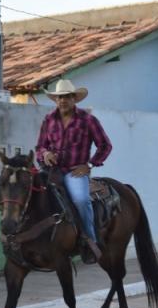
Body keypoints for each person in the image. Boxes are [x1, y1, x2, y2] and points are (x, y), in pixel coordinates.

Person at [35, 79, 112, 264]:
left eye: (67, 97)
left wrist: (90, 165)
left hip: (74, 172)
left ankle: (90, 241)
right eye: (60, 97)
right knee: (34, 196)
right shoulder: (48, 120)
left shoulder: (88, 120)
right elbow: (39, 147)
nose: (63, 100)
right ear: (56, 100)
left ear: (74, 99)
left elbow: (105, 145)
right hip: (52, 171)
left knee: (81, 200)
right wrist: (45, 154)